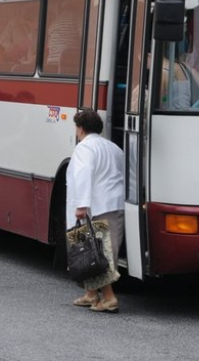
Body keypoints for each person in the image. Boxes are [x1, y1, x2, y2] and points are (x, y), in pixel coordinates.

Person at [66, 110, 125, 313]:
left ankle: (109, 298)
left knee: (98, 254)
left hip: (96, 205)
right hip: (115, 205)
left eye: (76, 127)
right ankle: (91, 294)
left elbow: (84, 173)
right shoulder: (114, 147)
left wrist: (81, 204)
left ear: (81, 128)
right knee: (100, 251)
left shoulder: (85, 148)